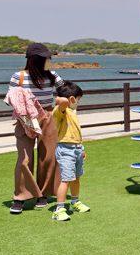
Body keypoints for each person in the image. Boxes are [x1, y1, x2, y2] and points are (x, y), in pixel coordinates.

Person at [9, 43, 64, 214]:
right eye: (47, 58)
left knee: (48, 157)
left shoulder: (52, 75)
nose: (50, 60)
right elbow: (11, 98)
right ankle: (20, 196)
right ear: (36, 60)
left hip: (47, 117)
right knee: (24, 159)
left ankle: (43, 194)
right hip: (25, 118)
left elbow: (64, 90)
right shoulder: (18, 77)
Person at [52, 82, 90, 221]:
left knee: (76, 177)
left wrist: (82, 148)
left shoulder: (73, 113)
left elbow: (76, 132)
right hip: (65, 149)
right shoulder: (59, 111)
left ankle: (74, 202)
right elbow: (62, 102)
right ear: (72, 99)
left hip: (76, 148)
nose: (78, 103)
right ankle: (59, 208)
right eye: (77, 99)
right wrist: (62, 99)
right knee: (66, 179)